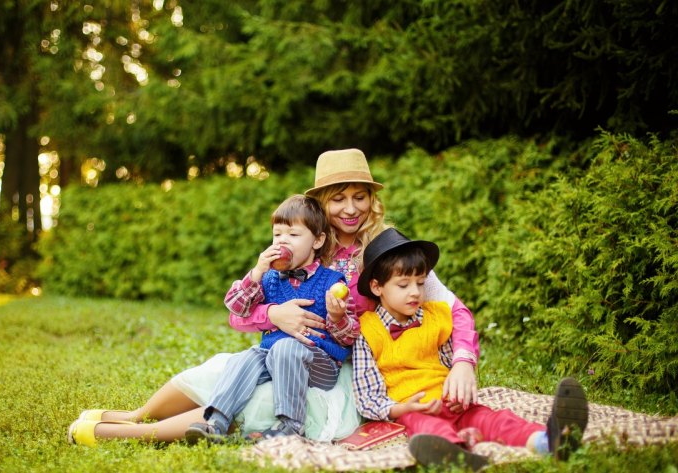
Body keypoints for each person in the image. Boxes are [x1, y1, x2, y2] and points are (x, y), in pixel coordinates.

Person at [67, 148, 480, 446]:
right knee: (224, 371)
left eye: (360, 196)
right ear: (319, 203)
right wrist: (275, 313)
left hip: (342, 368)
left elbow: (451, 309)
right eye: (337, 198)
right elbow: (241, 313)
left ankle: (132, 433)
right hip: (281, 346)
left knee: (259, 398)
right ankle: (134, 415)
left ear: (373, 200)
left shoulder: (388, 250)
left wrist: (463, 362)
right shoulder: (298, 244)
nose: (350, 208)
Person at [351, 227, 589, 470]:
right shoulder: (367, 331)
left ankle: (550, 441)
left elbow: (449, 364)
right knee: (429, 430)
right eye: (404, 285)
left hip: (453, 403)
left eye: (421, 283)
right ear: (377, 287)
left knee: (496, 419)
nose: (415, 292)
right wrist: (404, 407)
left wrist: (459, 395)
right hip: (415, 409)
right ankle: (457, 455)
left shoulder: (436, 317)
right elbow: (369, 397)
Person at [182, 194, 359, 444]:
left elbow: (349, 336)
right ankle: (216, 423)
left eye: (293, 235)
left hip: (320, 363)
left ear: (317, 241)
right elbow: (236, 308)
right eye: (277, 235)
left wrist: (338, 316)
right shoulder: (268, 278)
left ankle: (290, 425)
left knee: (286, 347)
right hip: (273, 356)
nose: (282, 241)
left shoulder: (332, 282)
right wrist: (256, 272)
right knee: (245, 356)